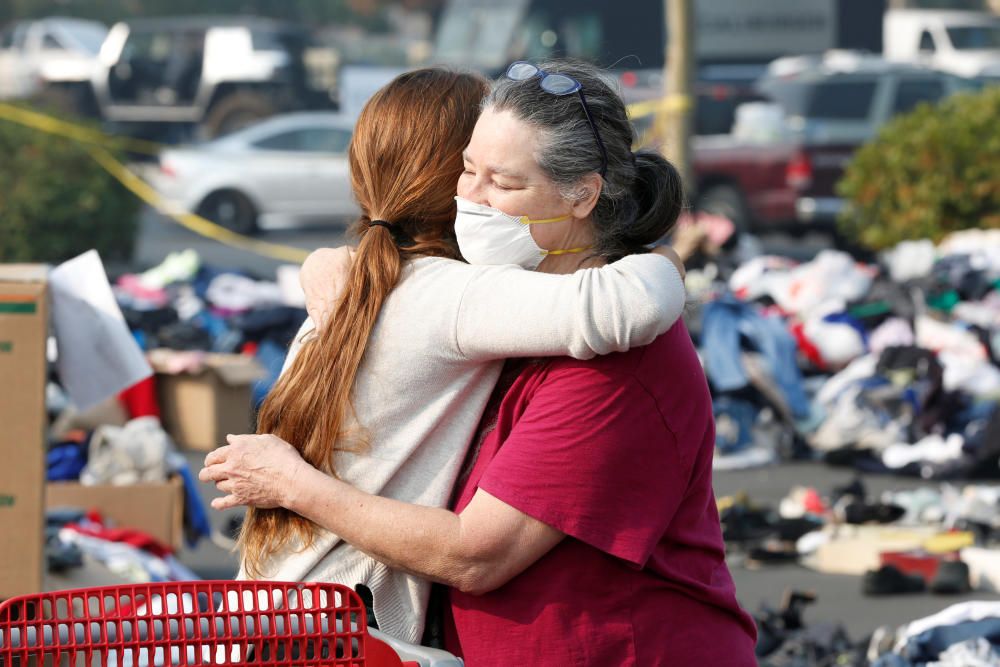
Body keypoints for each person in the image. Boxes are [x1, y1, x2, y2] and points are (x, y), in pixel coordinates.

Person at [202, 60, 757, 665]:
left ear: (582, 194)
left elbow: (477, 554)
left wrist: (665, 264)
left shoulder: (606, 358)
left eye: (503, 182)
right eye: (466, 169)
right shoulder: (480, 305)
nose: (470, 197)